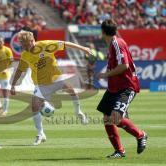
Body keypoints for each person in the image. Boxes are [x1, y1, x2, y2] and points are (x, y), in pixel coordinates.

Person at [10, 30, 92, 146]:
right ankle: (41, 134)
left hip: (55, 78)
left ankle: (78, 112)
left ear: (32, 40)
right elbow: (20, 69)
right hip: (41, 84)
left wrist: (83, 48)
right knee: (34, 107)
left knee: (72, 91)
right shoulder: (25, 55)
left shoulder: (46, 45)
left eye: (27, 44)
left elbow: (65, 43)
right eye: (23, 46)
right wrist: (13, 84)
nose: (26, 47)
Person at [97, 19, 147, 158]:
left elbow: (124, 66)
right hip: (115, 87)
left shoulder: (117, 43)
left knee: (115, 118)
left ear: (102, 32)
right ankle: (119, 151)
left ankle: (141, 135)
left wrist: (105, 74)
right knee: (107, 118)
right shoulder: (114, 44)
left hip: (127, 87)